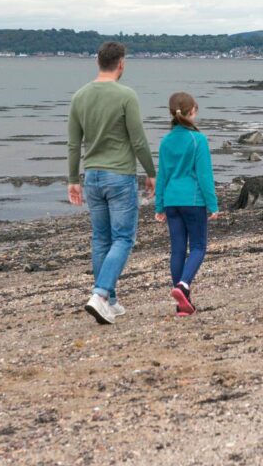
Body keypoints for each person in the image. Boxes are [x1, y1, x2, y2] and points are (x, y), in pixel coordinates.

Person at [67, 41, 156, 325]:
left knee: (101, 239)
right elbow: (138, 139)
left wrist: (72, 179)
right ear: (121, 64)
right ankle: (101, 294)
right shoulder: (126, 95)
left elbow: (73, 143)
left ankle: (111, 300)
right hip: (119, 175)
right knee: (123, 238)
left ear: (98, 62)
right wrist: (152, 172)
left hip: (91, 175)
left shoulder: (79, 96)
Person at [154, 92, 219, 316]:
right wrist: (213, 204)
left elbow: (162, 175)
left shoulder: (166, 141)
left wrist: (159, 206)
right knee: (199, 246)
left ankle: (183, 303)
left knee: (178, 251)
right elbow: (204, 175)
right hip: (193, 201)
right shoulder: (197, 139)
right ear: (192, 111)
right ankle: (183, 285)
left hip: (171, 201)